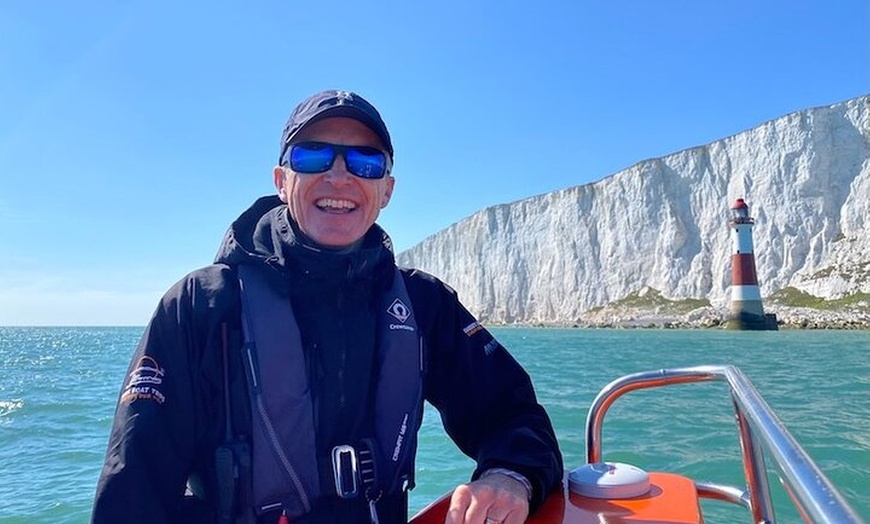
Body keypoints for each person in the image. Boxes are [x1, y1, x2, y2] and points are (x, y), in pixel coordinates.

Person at [91, 89, 563, 524]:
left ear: (386, 191)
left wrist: (509, 477)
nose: (340, 176)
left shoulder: (424, 305)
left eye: (366, 162)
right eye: (313, 155)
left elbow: (512, 412)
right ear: (282, 180)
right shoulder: (200, 307)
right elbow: (134, 489)